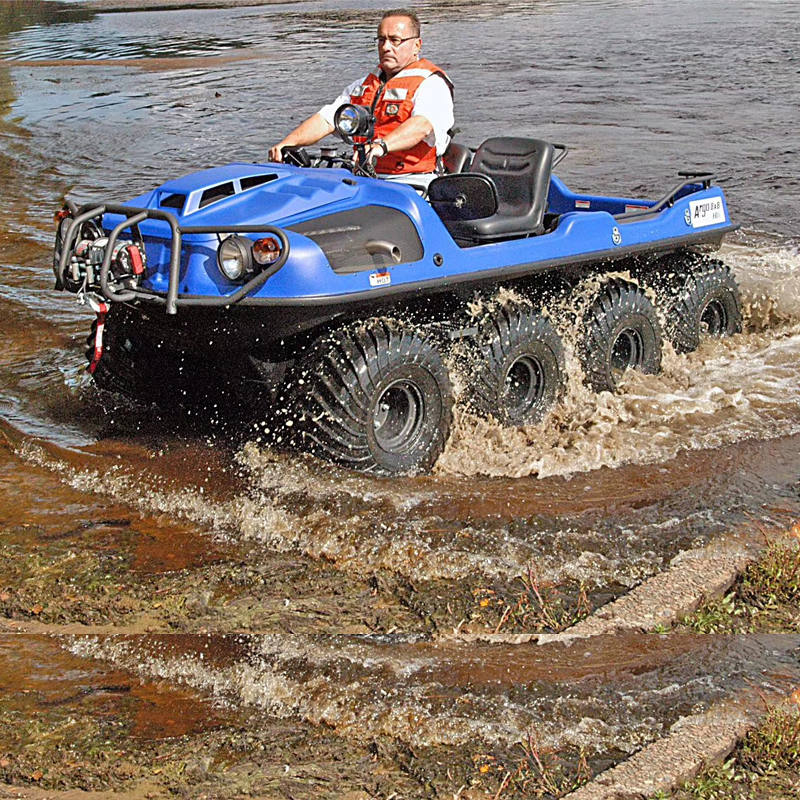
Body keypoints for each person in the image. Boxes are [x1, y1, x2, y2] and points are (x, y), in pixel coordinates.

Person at [268, 8, 454, 177]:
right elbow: (326, 120)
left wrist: (380, 147)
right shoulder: (362, 87)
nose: (386, 47)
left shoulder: (432, 84)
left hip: (409, 180)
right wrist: (289, 143)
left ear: (416, 45)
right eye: (381, 40)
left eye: (395, 40)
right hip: (364, 177)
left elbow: (422, 126)